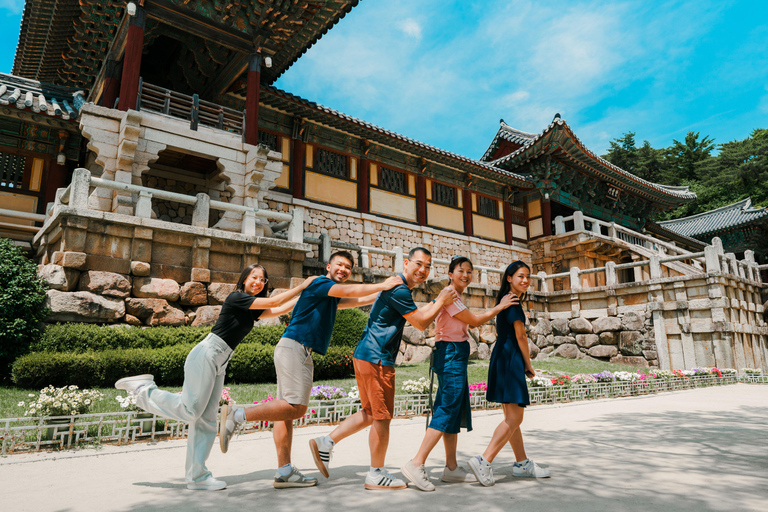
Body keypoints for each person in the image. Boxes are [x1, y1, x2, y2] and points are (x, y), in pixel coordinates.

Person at [115, 265, 315, 491]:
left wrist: (307, 295)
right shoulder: (237, 297)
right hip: (208, 354)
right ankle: (144, 391)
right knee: (191, 410)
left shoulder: (251, 306)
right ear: (244, 279)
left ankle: (197, 477)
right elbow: (271, 303)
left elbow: (279, 308)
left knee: (206, 419)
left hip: (220, 361)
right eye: (254, 278)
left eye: (263, 280)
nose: (258, 282)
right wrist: (302, 285)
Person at [219, 251, 402, 489]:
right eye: (340, 265)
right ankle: (237, 415)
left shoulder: (329, 294)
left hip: (293, 349)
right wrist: (384, 283)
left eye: (348, 267)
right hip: (295, 348)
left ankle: (284, 472)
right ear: (328, 266)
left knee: (284, 412)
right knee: (296, 408)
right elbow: (350, 292)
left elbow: (356, 300)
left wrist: (384, 293)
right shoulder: (320, 283)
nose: (344, 270)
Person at [309, 247, 458, 491]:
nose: (423, 270)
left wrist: (436, 302)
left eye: (428, 266)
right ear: (407, 264)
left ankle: (326, 441)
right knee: (382, 418)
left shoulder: (398, 287)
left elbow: (419, 314)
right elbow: (420, 322)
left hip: (367, 354)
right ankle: (375, 474)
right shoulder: (399, 288)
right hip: (377, 357)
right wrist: (441, 300)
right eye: (419, 264)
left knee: (370, 412)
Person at [400, 256, 517, 491]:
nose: (465, 275)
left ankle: (451, 468)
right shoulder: (450, 295)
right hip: (451, 353)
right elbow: (473, 322)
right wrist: (500, 306)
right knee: (447, 408)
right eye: (460, 271)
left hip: (455, 353)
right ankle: (416, 463)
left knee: (453, 409)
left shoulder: (455, 295)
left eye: (469, 271)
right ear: (450, 274)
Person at [467, 260, 550, 486]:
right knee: (515, 417)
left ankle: (522, 463)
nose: (525, 280)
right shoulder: (513, 303)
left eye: (527, 277)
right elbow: (521, 337)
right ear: (509, 279)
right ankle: (484, 460)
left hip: (502, 357)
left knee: (511, 418)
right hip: (511, 358)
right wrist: (528, 363)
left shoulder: (505, 301)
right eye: (520, 276)